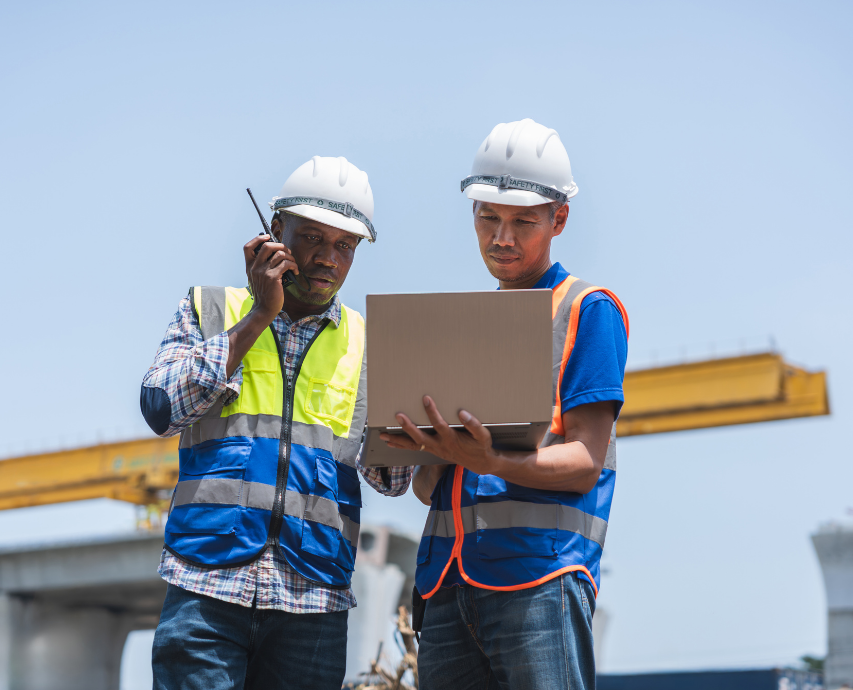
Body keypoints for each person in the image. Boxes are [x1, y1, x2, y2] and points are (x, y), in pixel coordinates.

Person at [142, 156, 413, 690]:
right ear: (274, 233)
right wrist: (258, 317)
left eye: (345, 246)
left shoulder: (368, 344)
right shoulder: (210, 310)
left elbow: (394, 481)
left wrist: (422, 414)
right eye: (313, 238)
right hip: (207, 589)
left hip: (311, 605)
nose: (328, 259)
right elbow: (161, 407)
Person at [382, 119, 629, 690]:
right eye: (487, 217)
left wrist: (490, 461)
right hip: (446, 585)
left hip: (539, 578)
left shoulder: (586, 311)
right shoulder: (461, 327)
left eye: (522, 221)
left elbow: (586, 462)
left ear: (558, 219)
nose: (502, 237)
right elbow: (426, 490)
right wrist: (437, 449)